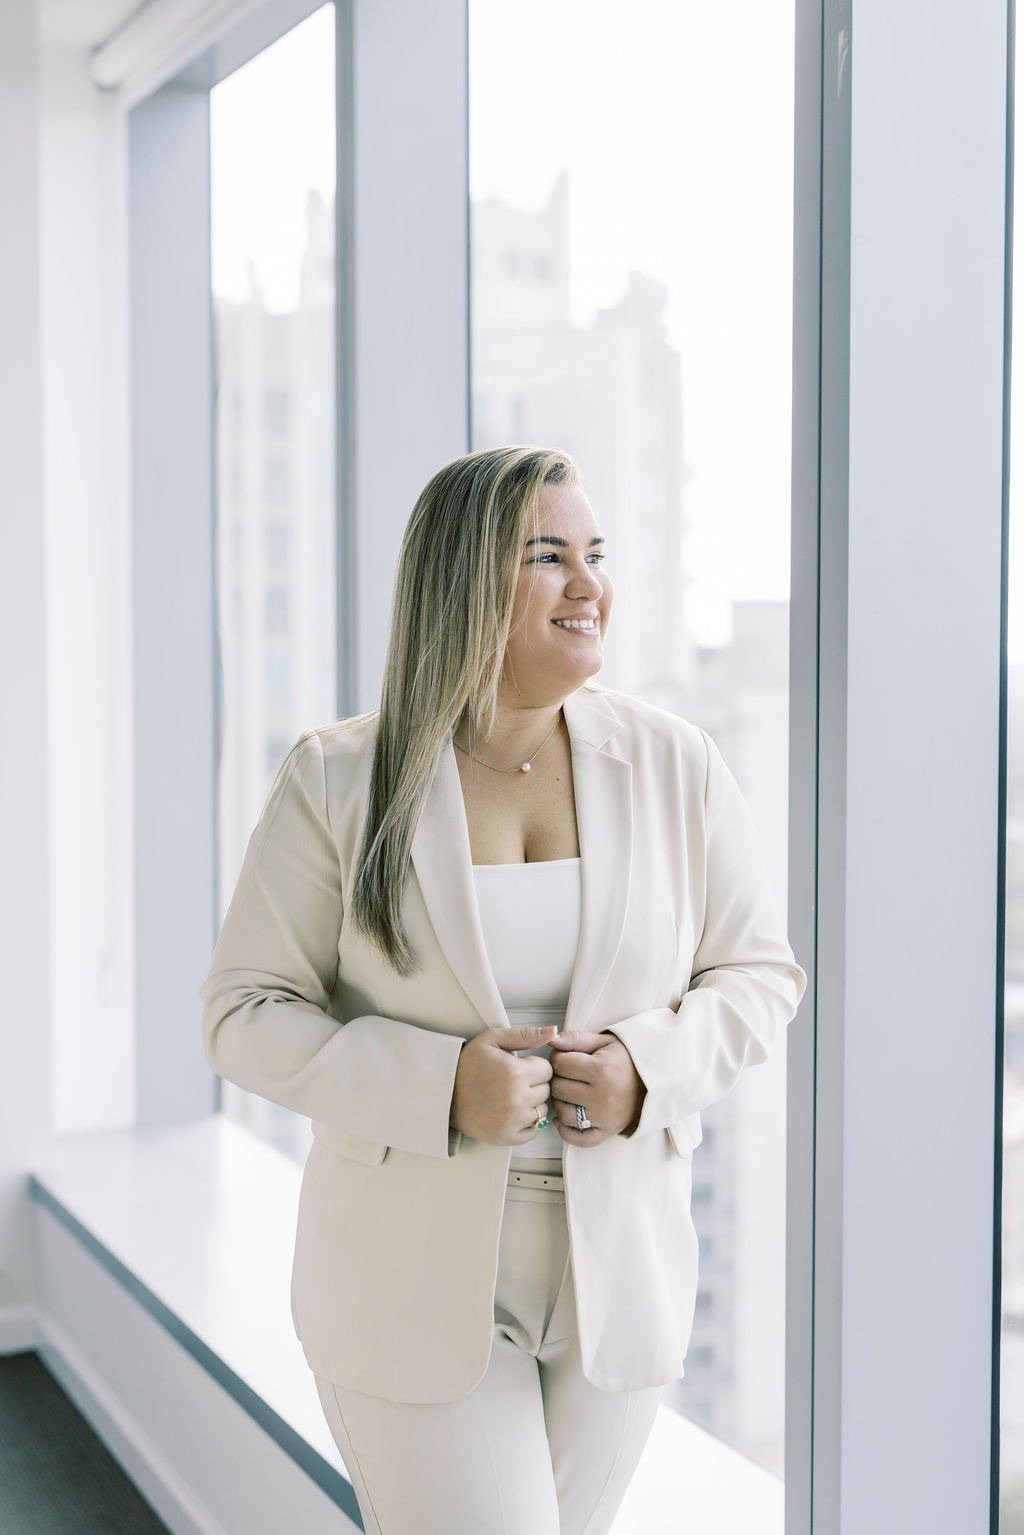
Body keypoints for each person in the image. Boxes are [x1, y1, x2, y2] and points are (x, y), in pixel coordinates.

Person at [198, 444, 808, 1535]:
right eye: (547, 556)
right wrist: (439, 1085)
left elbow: (760, 972)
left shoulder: (678, 763)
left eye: (596, 553)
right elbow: (243, 1010)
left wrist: (645, 1068)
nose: (589, 584)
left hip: (617, 1282)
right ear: (464, 579)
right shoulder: (338, 779)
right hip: (410, 1284)